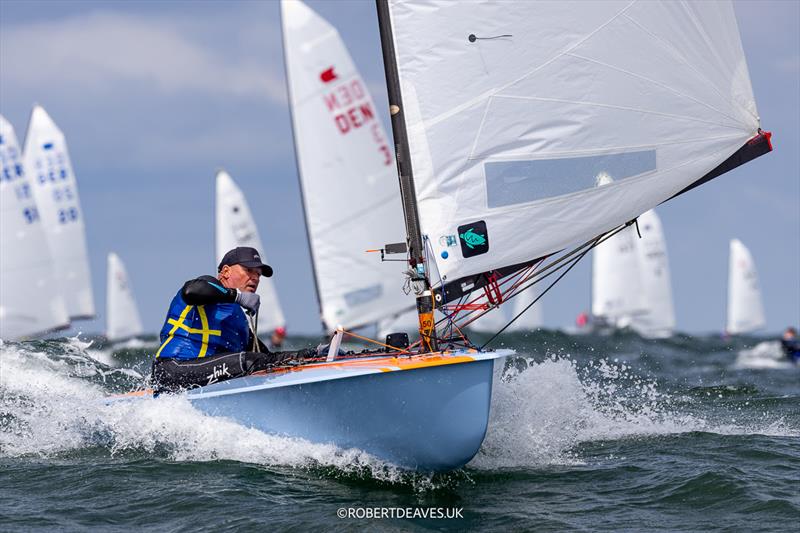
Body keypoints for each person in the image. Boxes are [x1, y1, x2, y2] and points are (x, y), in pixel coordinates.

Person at [151, 246, 316, 393]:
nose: (255, 278)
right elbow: (191, 291)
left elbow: (267, 358)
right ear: (226, 271)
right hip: (171, 370)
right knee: (249, 360)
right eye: (248, 271)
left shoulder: (237, 317)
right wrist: (237, 296)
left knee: (258, 360)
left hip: (202, 378)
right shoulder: (206, 285)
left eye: (258, 274)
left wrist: (311, 355)